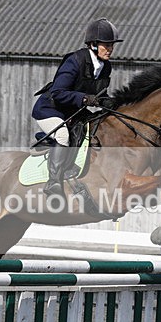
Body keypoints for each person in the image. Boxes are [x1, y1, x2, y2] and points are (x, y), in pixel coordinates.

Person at [31, 18, 123, 197]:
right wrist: (84, 98)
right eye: (107, 45)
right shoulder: (75, 61)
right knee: (63, 135)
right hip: (50, 109)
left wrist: (113, 103)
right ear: (94, 44)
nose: (110, 49)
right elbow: (58, 92)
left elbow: (99, 95)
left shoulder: (105, 67)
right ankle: (53, 183)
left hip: (73, 111)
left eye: (112, 45)